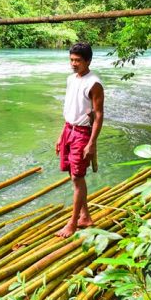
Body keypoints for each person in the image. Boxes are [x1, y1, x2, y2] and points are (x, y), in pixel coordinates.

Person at [55, 43, 104, 238]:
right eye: (71, 60)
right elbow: (71, 109)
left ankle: (73, 223)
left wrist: (91, 142)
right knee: (71, 173)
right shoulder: (71, 79)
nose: (73, 64)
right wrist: (61, 135)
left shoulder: (94, 83)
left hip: (83, 133)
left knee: (77, 177)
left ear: (88, 61)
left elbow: (99, 115)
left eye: (78, 61)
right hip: (69, 129)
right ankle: (85, 216)